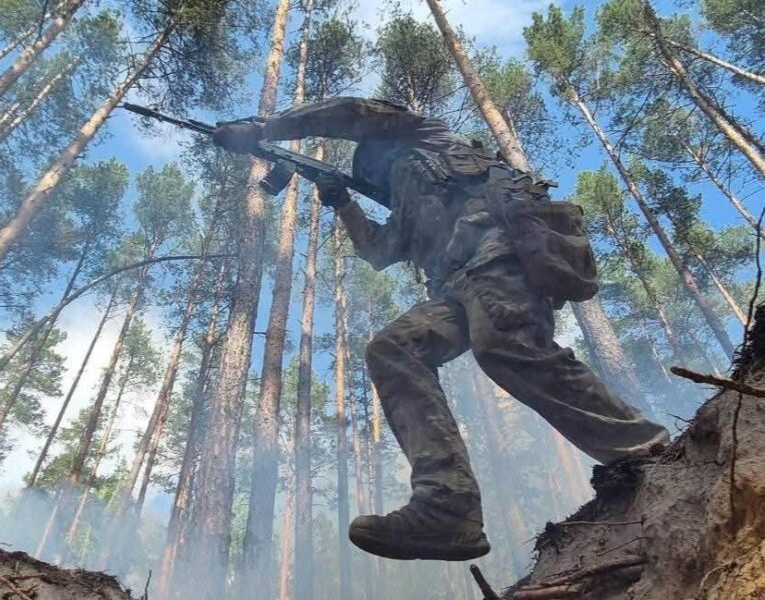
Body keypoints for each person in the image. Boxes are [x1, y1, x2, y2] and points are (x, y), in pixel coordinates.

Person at [212, 97, 670, 562]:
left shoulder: (423, 134)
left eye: (373, 171)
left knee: (505, 346)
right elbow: (378, 251)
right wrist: (343, 201)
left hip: (499, 250)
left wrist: (265, 129)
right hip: (453, 285)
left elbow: (351, 112)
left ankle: (644, 448)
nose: (380, 180)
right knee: (393, 349)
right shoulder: (407, 208)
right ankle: (447, 506)